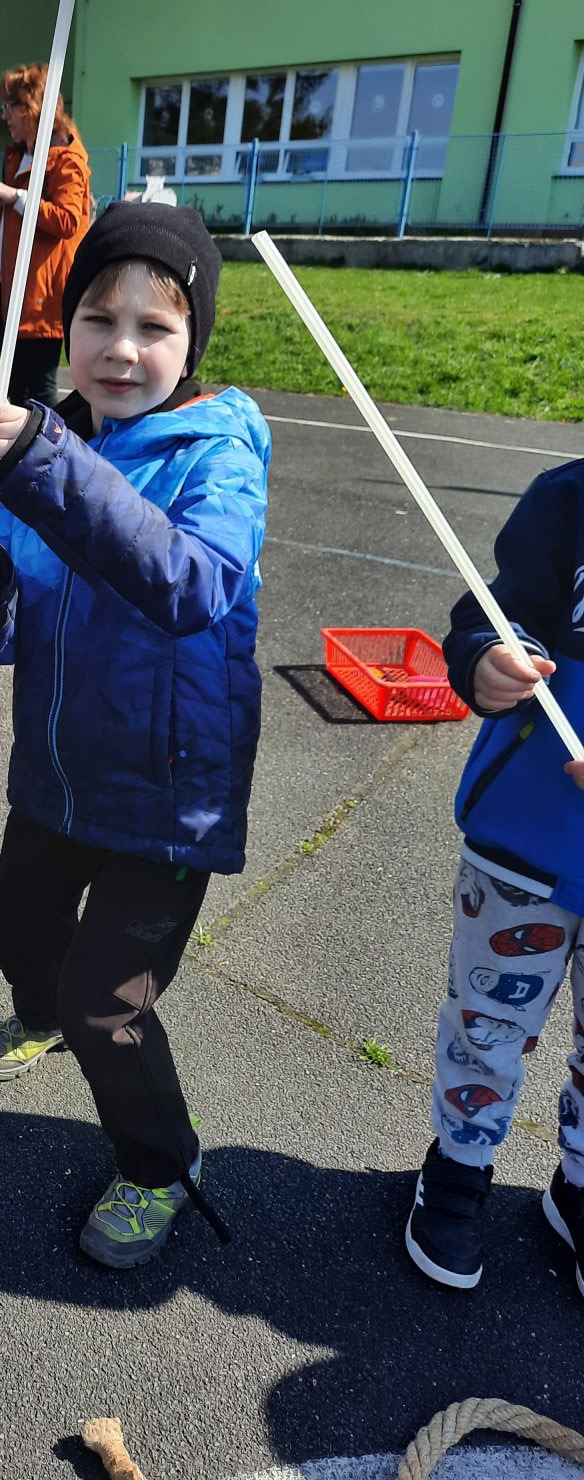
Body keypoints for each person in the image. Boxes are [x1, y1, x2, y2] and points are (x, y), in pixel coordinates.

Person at [0, 203, 270, 1269]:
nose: (121, 348)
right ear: (63, 326)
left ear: (192, 342)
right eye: (96, 319)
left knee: (106, 1006)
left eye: (153, 327)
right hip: (58, 771)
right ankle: (38, 1013)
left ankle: (161, 1161)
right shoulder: (40, 447)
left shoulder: (219, 454)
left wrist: (48, 466)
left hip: (168, 792)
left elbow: (191, 585)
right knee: (14, 936)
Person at [404, 478, 584, 1298]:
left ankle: (577, 1186)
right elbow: (494, 612)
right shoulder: (570, 498)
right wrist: (486, 659)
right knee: (487, 1023)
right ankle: (459, 1164)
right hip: (526, 833)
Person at [0, 63, 90, 410]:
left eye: (11, 106)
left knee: (39, 394)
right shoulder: (20, 155)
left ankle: (49, 447)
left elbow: (67, 219)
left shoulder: (66, 160)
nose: (4, 115)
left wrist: (14, 196)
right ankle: (18, 447)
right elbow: (20, 218)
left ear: (33, 108)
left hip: (42, 298)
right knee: (13, 391)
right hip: (13, 294)